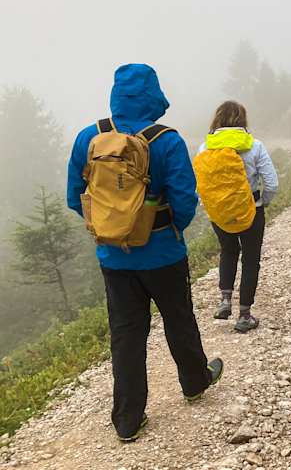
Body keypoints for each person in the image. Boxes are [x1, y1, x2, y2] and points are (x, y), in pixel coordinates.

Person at [66, 64, 223, 442]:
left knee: (126, 334)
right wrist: (167, 230)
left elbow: (76, 198)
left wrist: (111, 228)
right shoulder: (166, 140)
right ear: (152, 94)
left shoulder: (89, 137)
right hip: (164, 254)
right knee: (178, 318)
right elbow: (185, 200)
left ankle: (127, 419)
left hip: (114, 257)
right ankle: (194, 382)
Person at [197, 101, 278, 332]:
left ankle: (224, 301)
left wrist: (211, 206)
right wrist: (262, 202)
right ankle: (244, 315)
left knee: (228, 250)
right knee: (251, 259)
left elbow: (200, 185)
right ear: (242, 119)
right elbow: (271, 183)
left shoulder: (205, 147)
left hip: (219, 211)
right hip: (251, 208)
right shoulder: (254, 146)